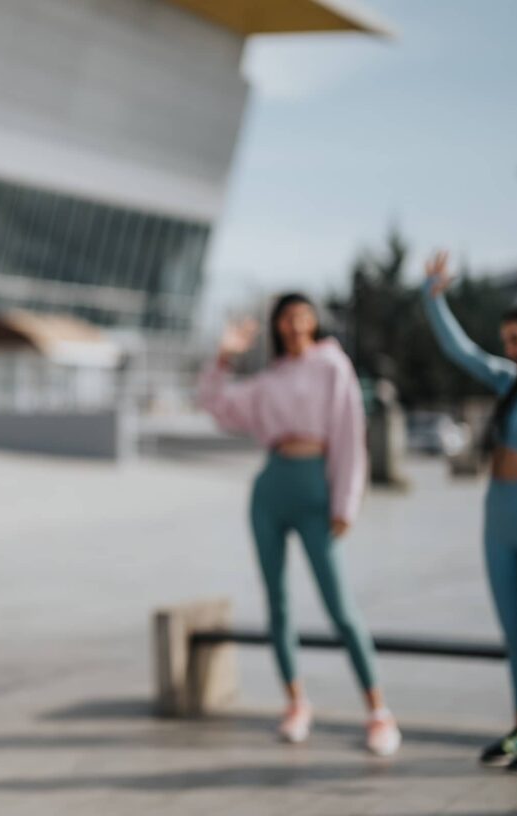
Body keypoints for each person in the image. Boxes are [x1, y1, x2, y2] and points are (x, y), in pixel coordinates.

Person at [197, 293, 401, 756]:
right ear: (277, 326)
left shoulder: (333, 366)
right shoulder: (269, 379)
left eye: (301, 315)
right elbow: (215, 405)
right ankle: (295, 704)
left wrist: (346, 502)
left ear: (312, 321)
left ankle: (378, 711)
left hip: (316, 489)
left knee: (340, 606)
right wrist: (224, 356)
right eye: (285, 317)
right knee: (277, 604)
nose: (293, 324)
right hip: (271, 489)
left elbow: (351, 433)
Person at [423, 250, 517, 774]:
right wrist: (433, 294)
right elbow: (458, 349)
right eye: (506, 342)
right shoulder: (509, 384)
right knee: (515, 633)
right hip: (497, 518)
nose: (510, 350)